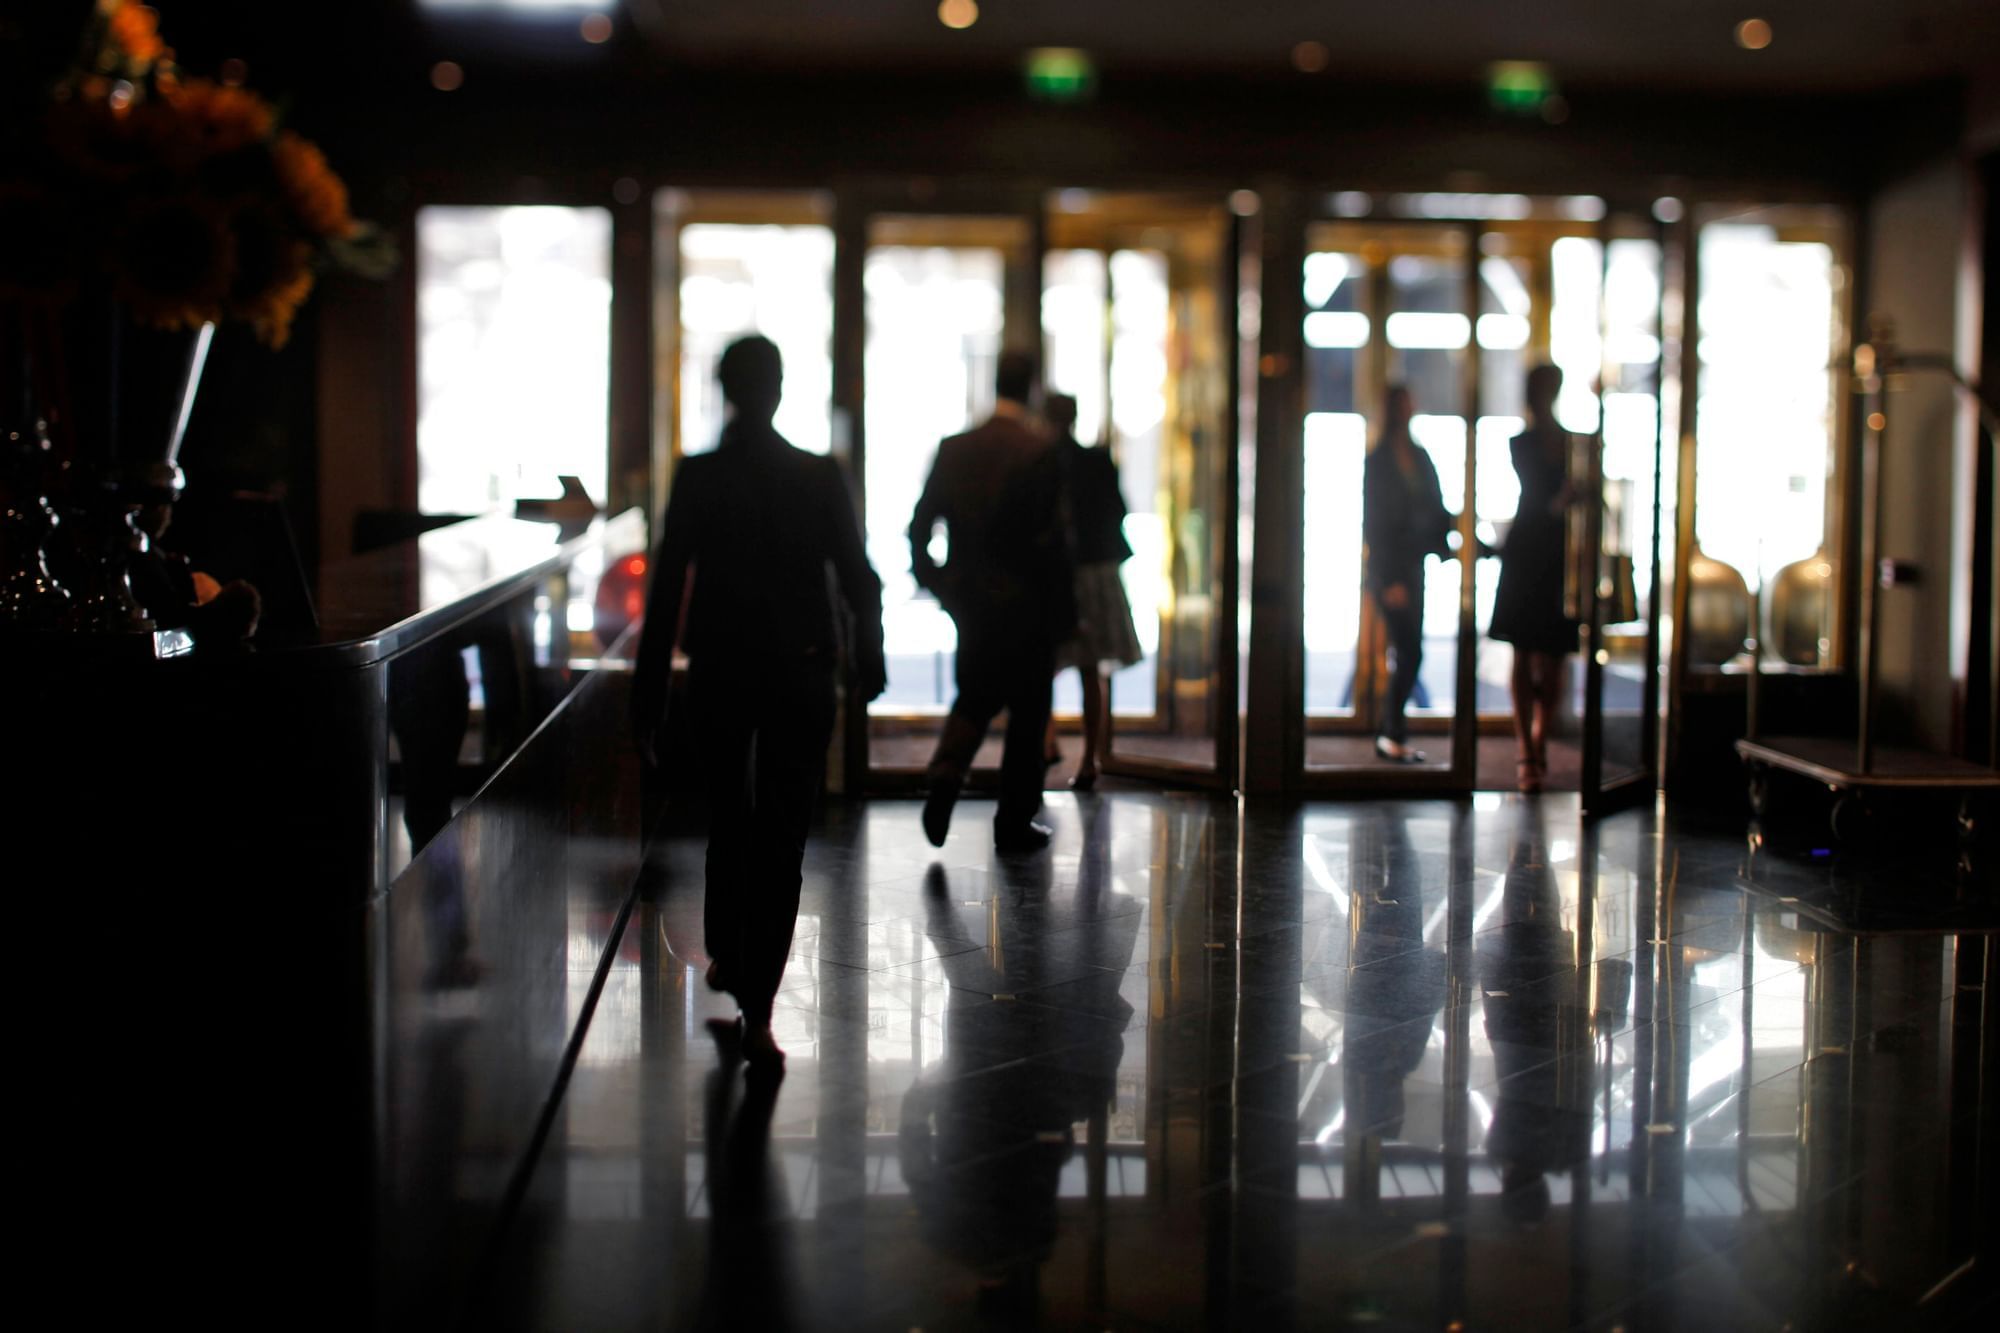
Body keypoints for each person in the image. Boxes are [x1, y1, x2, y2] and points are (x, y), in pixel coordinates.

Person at [633, 334, 886, 1071]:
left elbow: (669, 582)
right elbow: (857, 574)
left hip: (721, 669)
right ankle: (759, 1010)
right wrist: (867, 659)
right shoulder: (818, 475)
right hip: (803, 671)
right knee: (783, 837)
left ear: (724, 390)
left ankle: (729, 954)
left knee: (727, 819)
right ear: (777, 390)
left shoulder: (700, 475)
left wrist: (648, 691)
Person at [909, 350, 1074, 853]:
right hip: (1027, 604)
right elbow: (1055, 540)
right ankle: (1014, 820)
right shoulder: (1039, 449)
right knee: (1028, 711)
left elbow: (921, 526)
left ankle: (946, 773)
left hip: (972, 602)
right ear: (1031, 389)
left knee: (975, 695)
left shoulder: (956, 447)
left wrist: (940, 584)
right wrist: (1064, 612)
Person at [1042, 393, 1142, 791]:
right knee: (1091, 671)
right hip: (1096, 570)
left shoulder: (1042, 462)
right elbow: (1117, 510)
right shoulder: (1097, 460)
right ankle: (1089, 759)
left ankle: (1046, 745)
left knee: (1042, 669)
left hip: (1055, 575)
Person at [1490, 363, 1581, 792]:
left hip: (1561, 554)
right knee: (1524, 651)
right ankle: (1527, 747)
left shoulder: (1574, 442)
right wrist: (1563, 499)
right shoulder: (1522, 443)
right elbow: (1544, 495)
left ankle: (1540, 739)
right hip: (1529, 550)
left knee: (1556, 653)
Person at [1361, 383, 1454, 763]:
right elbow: (1375, 524)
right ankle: (1390, 730)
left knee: (1411, 650)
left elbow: (1437, 507)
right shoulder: (1379, 460)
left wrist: (1451, 544)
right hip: (1393, 571)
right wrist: (1387, 579)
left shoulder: (1418, 456)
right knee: (1410, 651)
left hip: (1415, 566)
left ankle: (1392, 730)